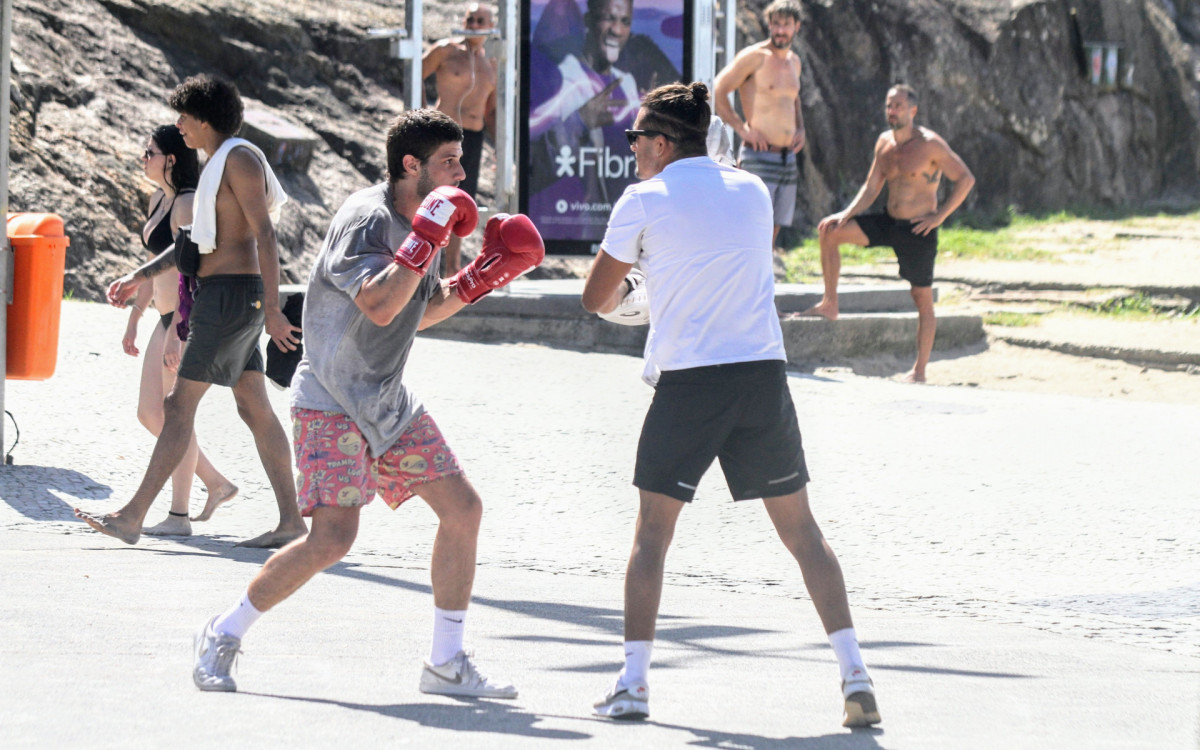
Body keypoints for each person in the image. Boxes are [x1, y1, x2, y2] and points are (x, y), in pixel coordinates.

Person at [190, 109, 545, 696]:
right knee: (333, 539)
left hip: (385, 400)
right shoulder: (366, 219)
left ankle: (445, 662)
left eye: (461, 160)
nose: (462, 173)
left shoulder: (423, 220)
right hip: (329, 401)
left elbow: (419, 311)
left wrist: (481, 278)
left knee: (463, 510)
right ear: (412, 165)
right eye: (449, 162)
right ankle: (223, 631)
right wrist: (426, 237)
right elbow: (379, 305)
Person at [581, 82, 881, 728]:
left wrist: (643, 290)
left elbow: (595, 299)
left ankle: (633, 685)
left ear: (662, 143)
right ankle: (856, 675)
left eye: (637, 139)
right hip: (761, 376)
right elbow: (714, 261)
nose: (631, 149)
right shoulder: (750, 190)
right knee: (804, 533)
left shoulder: (642, 199)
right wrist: (663, 284)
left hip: (692, 382)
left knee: (651, 537)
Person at [75, 75, 308, 548]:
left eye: (183, 117)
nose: (178, 126)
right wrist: (140, 277)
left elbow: (265, 235)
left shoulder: (238, 159)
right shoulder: (218, 162)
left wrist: (272, 310)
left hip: (230, 298)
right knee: (253, 406)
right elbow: (190, 246)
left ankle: (132, 515)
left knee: (178, 404)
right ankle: (291, 521)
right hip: (222, 294)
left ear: (203, 120)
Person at [803, 84, 975, 383]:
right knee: (830, 232)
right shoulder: (884, 143)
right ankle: (830, 303)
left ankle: (919, 371)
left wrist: (939, 216)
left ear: (913, 110)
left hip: (918, 231)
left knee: (921, 298)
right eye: (888, 105)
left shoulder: (931, 144)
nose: (892, 111)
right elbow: (871, 187)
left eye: (897, 106)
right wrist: (845, 214)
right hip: (888, 221)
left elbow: (965, 179)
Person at [122, 124, 238, 537]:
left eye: (149, 150)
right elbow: (157, 264)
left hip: (182, 322)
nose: (143, 156)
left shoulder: (187, 204)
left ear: (171, 159)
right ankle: (216, 482)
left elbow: (190, 273)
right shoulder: (159, 198)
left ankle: (178, 516)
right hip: (163, 319)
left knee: (173, 416)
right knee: (149, 413)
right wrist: (136, 316)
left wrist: (179, 330)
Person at [714, 0, 806, 249]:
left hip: (788, 158)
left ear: (796, 27)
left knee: (775, 226)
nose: (780, 30)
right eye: (776, 24)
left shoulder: (794, 62)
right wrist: (743, 129)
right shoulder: (754, 57)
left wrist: (801, 128)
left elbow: (793, 99)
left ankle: (760, 280)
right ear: (769, 24)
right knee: (750, 221)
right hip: (759, 154)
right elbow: (719, 90)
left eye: (786, 25)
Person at [422, 2, 498, 274]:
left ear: (491, 27)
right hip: (443, 134)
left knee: (462, 203)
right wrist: (422, 117)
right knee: (433, 198)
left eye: (480, 21)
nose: (474, 25)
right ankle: (421, 264)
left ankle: (451, 268)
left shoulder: (490, 66)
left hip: (474, 138)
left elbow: (490, 112)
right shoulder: (446, 50)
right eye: (470, 19)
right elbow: (414, 74)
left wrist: (500, 150)